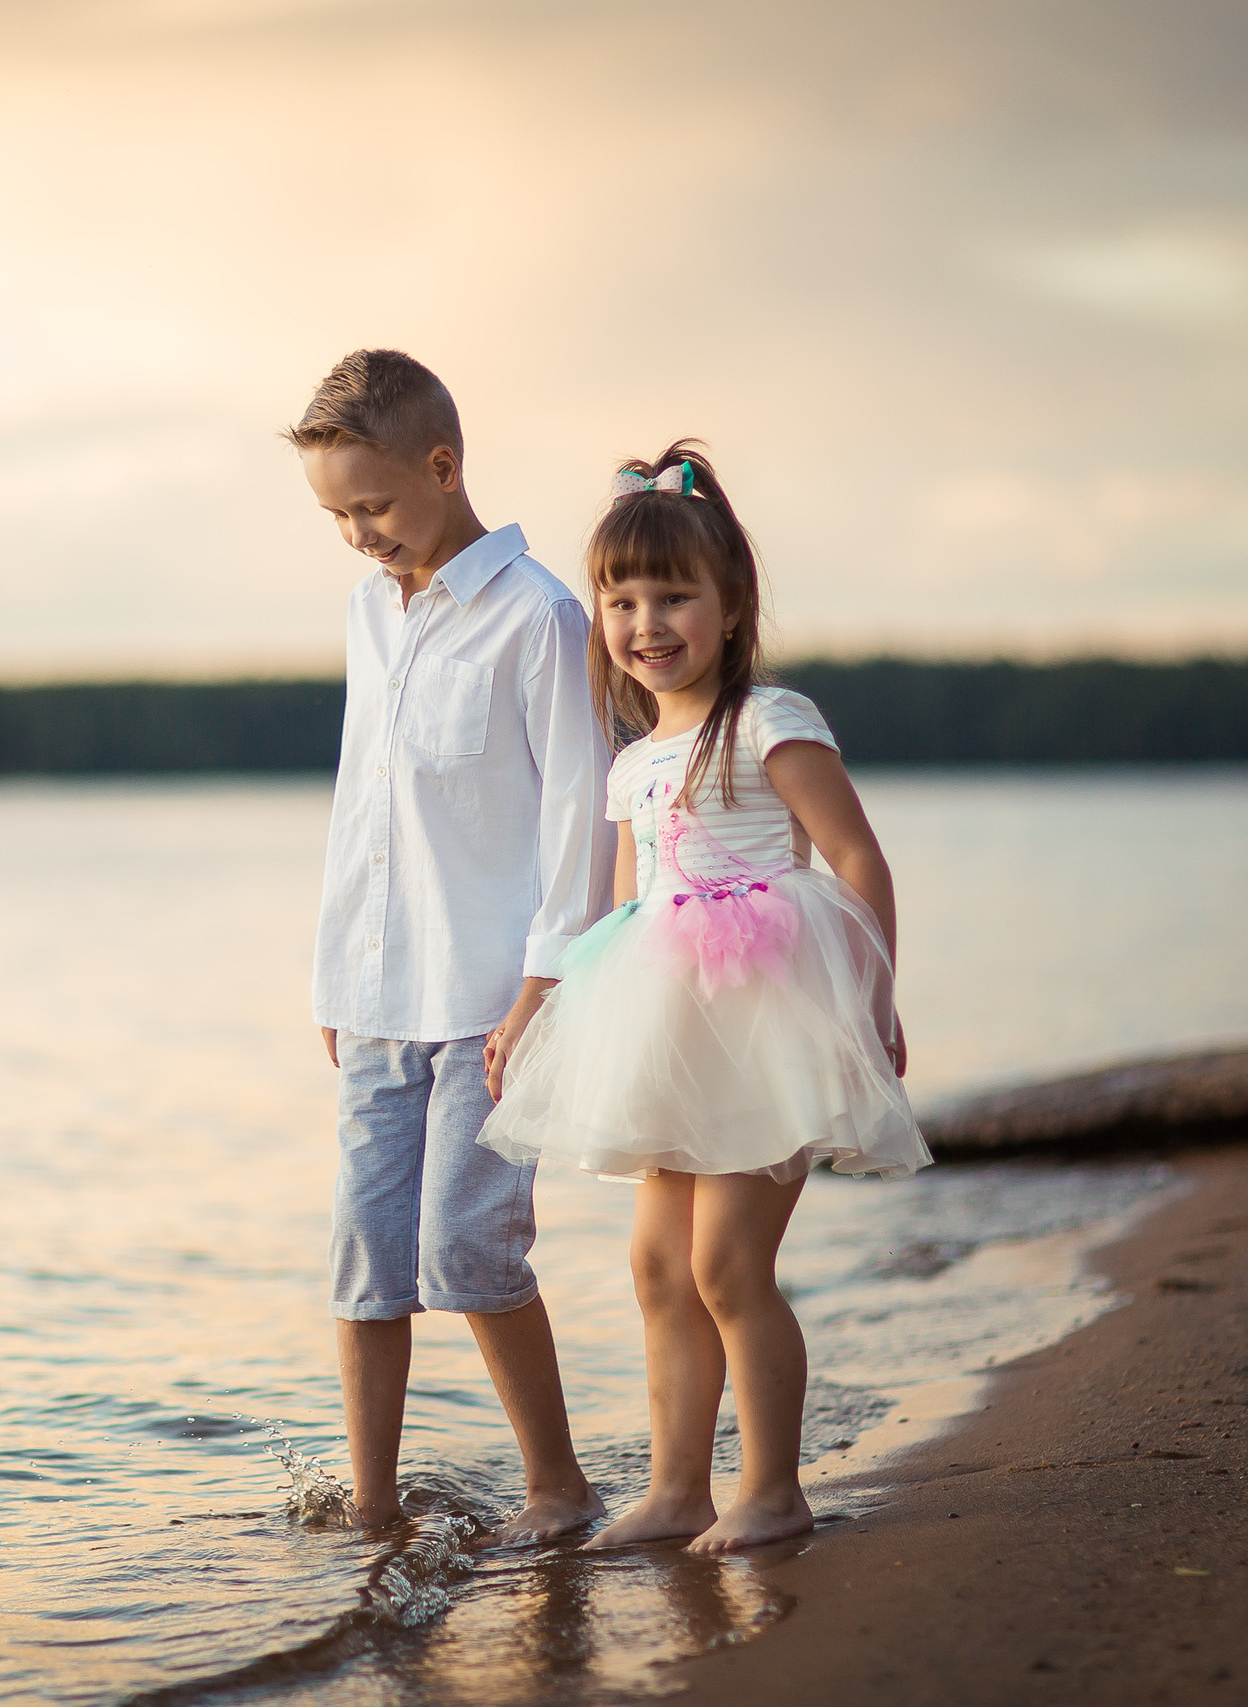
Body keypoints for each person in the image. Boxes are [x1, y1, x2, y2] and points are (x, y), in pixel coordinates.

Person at [479, 441, 931, 1554]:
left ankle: (770, 1488)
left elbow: (855, 860)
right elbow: (626, 918)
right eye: (621, 599)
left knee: (730, 1265)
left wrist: (870, 995)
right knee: (654, 1267)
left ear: (731, 608)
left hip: (768, 1021)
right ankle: (677, 1489)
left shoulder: (770, 721)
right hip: (668, 1030)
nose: (646, 622)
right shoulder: (635, 761)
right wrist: (550, 1008)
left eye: (674, 594)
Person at [287, 349, 616, 1542]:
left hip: (491, 998)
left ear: (443, 465)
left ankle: (557, 1485)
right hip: (378, 994)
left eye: (372, 505)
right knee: (367, 1256)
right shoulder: (369, 612)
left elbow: (580, 813)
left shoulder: (538, 617)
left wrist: (545, 986)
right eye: (336, 515)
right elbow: (358, 802)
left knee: (467, 1246)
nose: (359, 535)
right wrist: (336, 969)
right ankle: (369, 1507)